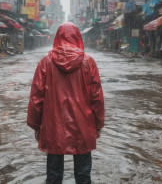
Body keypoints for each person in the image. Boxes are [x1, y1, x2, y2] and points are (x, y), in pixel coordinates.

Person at [27, 22, 105, 184]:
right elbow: (96, 98)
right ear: (78, 38)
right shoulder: (88, 62)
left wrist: (36, 125)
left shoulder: (45, 63)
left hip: (54, 127)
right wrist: (98, 124)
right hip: (83, 126)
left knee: (54, 176)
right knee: (83, 176)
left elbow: (36, 97)